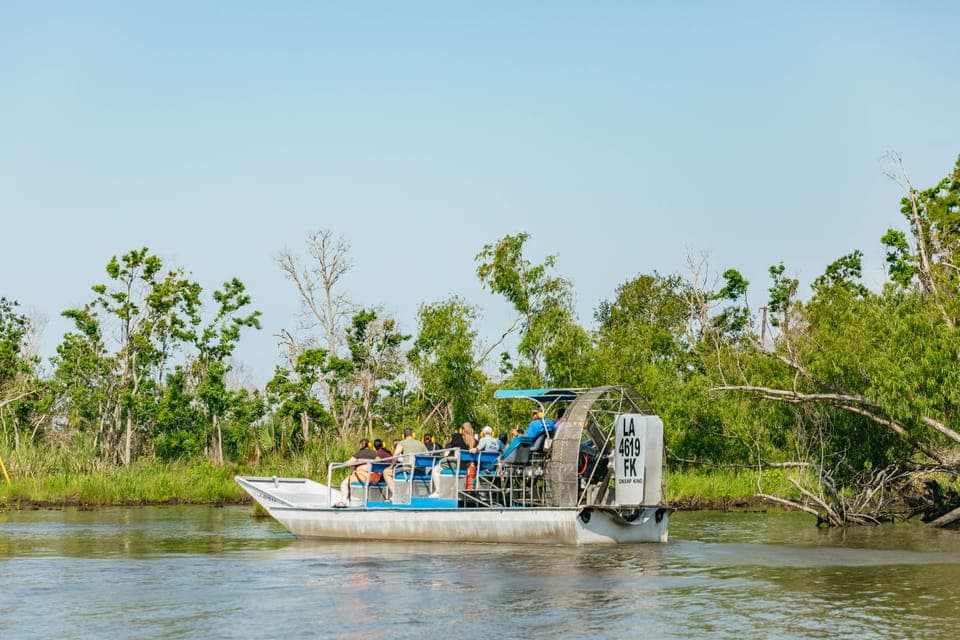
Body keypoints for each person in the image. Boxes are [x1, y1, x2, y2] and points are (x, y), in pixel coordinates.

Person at [336, 438, 377, 506]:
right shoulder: (375, 454)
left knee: (344, 484)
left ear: (361, 445)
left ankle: (344, 502)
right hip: (373, 476)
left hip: (362, 475)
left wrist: (344, 464)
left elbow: (348, 463)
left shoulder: (359, 454)